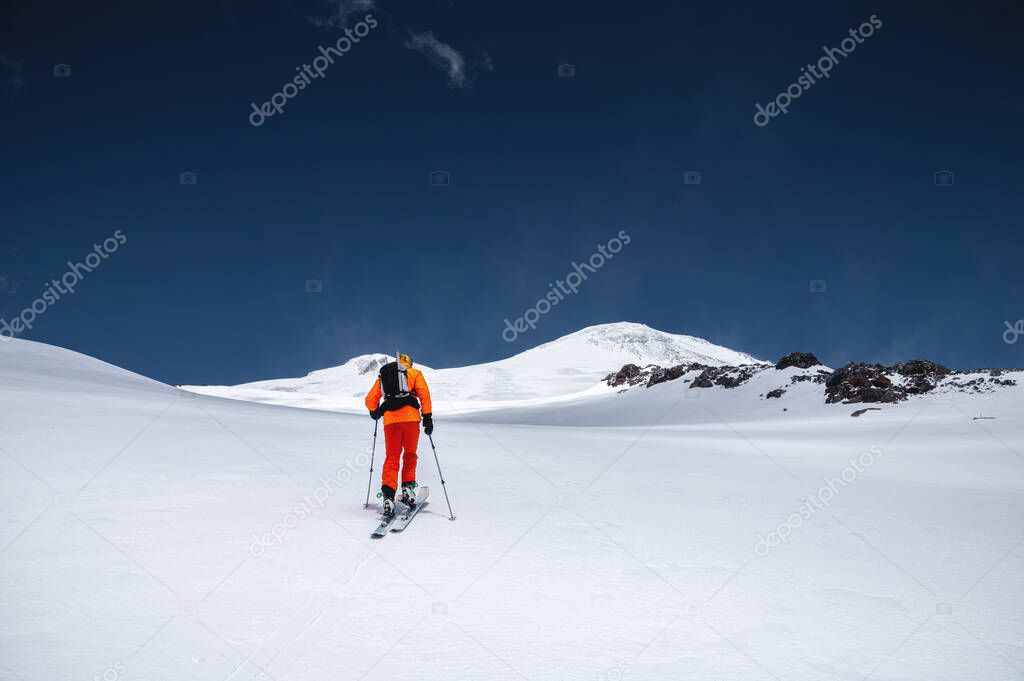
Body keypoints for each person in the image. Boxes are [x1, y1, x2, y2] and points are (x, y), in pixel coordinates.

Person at [364, 352, 433, 519]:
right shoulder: (414, 373)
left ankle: (388, 496)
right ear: (409, 363)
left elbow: (369, 399)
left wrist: (375, 411)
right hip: (411, 420)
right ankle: (407, 489)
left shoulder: (384, 376)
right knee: (410, 454)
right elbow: (424, 394)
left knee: (392, 457)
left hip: (390, 422)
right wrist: (428, 417)